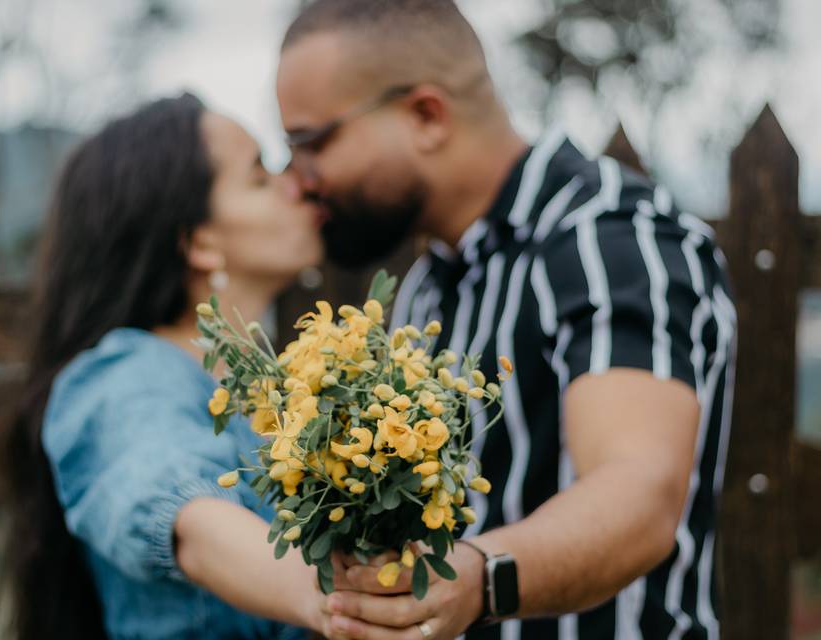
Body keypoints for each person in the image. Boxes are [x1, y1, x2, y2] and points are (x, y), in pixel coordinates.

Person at [275, 1, 737, 639]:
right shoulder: (427, 287)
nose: (298, 180)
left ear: (426, 116)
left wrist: (477, 579)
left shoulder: (611, 239)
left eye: (311, 143)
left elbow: (638, 493)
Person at [6, 93, 330, 639]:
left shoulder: (276, 385)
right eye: (259, 176)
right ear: (200, 241)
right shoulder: (126, 376)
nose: (297, 184)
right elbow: (184, 514)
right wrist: (340, 601)